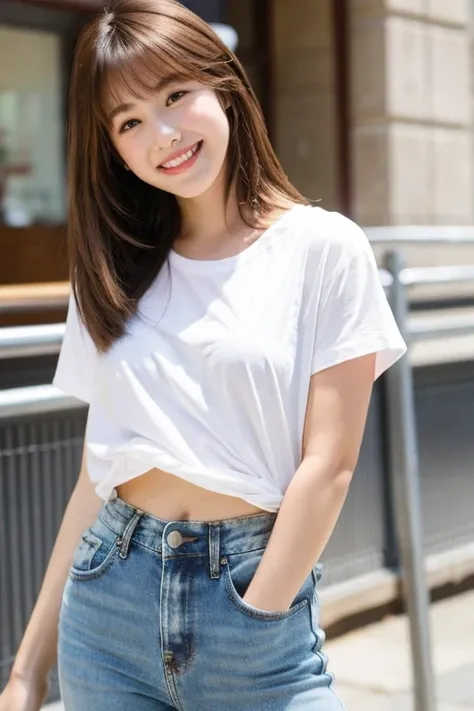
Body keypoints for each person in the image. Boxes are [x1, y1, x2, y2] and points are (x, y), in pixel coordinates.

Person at [0, 1, 407, 709]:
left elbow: (329, 465)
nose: (163, 134)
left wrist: (259, 608)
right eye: (129, 122)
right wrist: (28, 667)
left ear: (222, 84)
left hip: (251, 605)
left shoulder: (323, 248)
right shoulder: (113, 270)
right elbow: (98, 473)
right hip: (109, 603)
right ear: (113, 148)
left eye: (175, 95)